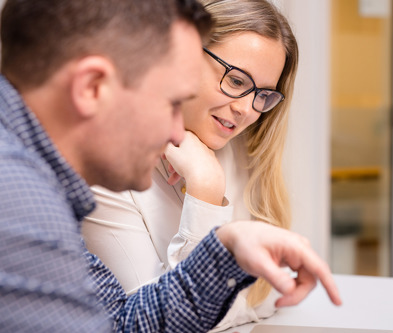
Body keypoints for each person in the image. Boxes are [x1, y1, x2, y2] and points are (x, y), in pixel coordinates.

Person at [0, 0, 342, 332]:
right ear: (91, 88)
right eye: (171, 101)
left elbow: (122, 322)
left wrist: (226, 245)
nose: (176, 133)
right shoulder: (22, 201)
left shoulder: (38, 186)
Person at [82, 0, 298, 330]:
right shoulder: (105, 170)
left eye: (263, 94)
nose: (246, 111)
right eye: (237, 81)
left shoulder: (240, 146)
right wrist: (205, 187)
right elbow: (159, 326)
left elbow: (268, 298)